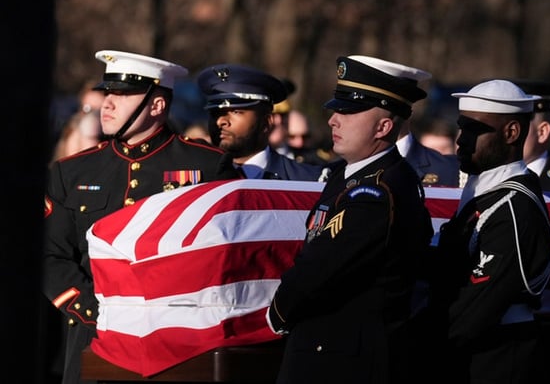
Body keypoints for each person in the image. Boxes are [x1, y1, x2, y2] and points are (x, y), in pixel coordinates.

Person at [42, 50, 242, 384]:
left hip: (174, 343)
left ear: (157, 105)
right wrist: (95, 310)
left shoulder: (207, 165)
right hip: (94, 338)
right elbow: (51, 255)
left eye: (121, 95)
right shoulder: (72, 171)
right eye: (107, 92)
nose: (108, 103)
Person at [266, 55, 434, 384]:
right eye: (335, 109)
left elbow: (321, 269)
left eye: (348, 112)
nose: (332, 120)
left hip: (344, 361)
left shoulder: (377, 192)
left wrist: (278, 311)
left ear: (384, 127)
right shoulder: (352, 176)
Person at [420, 79, 550, 384]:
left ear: (511, 133)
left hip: (497, 357)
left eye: (474, 130)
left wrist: (418, 344)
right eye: (461, 128)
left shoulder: (514, 206)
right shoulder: (484, 193)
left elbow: (478, 307)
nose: (461, 140)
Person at [197, 63, 327, 181]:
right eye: (215, 113)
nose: (220, 121)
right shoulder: (195, 178)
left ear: (266, 122)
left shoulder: (305, 180)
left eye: (236, 112)